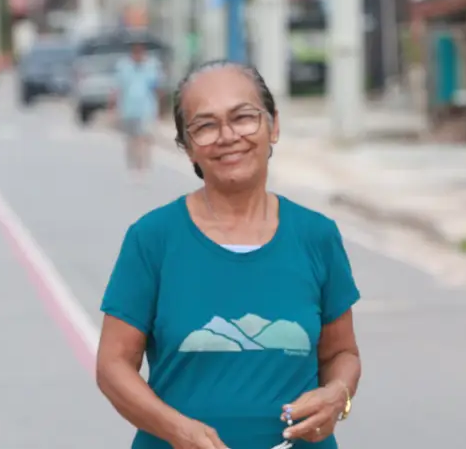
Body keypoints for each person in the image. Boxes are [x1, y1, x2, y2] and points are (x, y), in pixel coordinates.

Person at [97, 60, 361, 449]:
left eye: (243, 117)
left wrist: (339, 396)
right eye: (205, 126)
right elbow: (112, 366)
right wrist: (178, 431)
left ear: (274, 125)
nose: (227, 136)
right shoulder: (153, 239)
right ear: (187, 148)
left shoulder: (316, 235)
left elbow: (341, 352)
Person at [112, 43, 164, 181]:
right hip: (128, 109)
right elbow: (118, 88)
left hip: (146, 108)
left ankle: (143, 165)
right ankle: (132, 165)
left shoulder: (151, 67)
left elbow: (157, 87)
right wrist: (114, 108)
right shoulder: (124, 67)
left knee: (144, 137)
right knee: (131, 139)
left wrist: (161, 109)